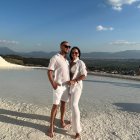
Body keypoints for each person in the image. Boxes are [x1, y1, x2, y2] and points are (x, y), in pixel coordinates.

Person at [47, 41, 71, 138]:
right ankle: (51, 127)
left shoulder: (66, 60)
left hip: (66, 86)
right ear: (61, 46)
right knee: (55, 106)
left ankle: (61, 121)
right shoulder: (55, 57)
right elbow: (49, 71)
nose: (68, 48)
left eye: (69, 46)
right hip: (58, 86)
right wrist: (53, 83)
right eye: (66, 46)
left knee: (64, 104)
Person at [68, 47, 87, 139]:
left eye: (76, 52)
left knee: (75, 105)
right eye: (72, 53)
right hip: (69, 87)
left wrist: (74, 80)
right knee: (71, 105)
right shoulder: (69, 62)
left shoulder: (80, 63)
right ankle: (72, 120)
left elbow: (84, 75)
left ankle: (77, 131)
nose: (74, 54)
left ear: (79, 54)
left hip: (77, 86)